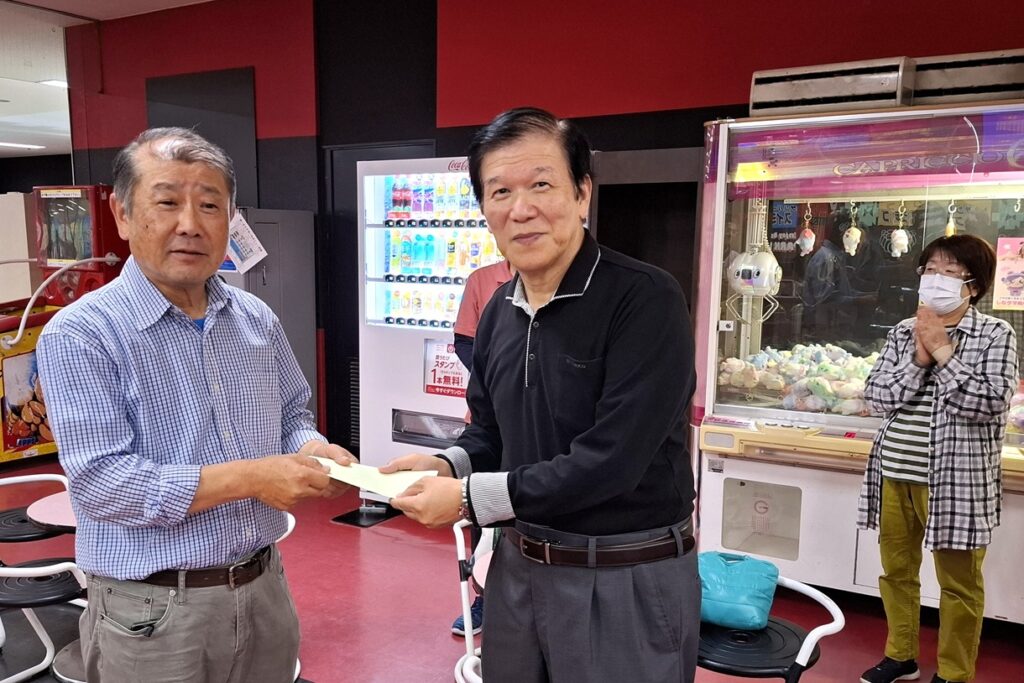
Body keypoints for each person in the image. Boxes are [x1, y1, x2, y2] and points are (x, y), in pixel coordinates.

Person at [382, 107, 699, 682]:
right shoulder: (498, 311)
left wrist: (467, 499)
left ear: (582, 194)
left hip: (622, 574)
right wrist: (446, 464)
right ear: (484, 209)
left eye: (541, 185)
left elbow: (612, 461)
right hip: (519, 568)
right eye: (500, 191)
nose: (520, 208)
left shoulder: (645, 299)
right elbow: (490, 432)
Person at [36, 127, 355, 683]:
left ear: (229, 218)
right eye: (167, 202)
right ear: (122, 214)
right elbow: (103, 484)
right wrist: (254, 478)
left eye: (210, 205)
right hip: (151, 610)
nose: (190, 223)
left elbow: (291, 416)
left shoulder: (255, 319)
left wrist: (314, 449)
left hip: (264, 588)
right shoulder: (82, 333)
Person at [858, 234, 1017, 683]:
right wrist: (919, 358)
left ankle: (954, 673)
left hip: (957, 482)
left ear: (973, 286)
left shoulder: (995, 334)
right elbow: (877, 396)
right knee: (896, 572)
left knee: (959, 584)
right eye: (929, 270)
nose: (935, 280)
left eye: (949, 272)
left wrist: (944, 351)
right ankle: (901, 655)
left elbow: (988, 403)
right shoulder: (903, 331)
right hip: (894, 471)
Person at [449, 257, 515, 637]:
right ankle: (482, 598)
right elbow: (463, 341)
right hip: (488, 421)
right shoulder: (483, 281)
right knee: (481, 513)